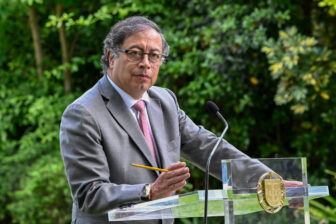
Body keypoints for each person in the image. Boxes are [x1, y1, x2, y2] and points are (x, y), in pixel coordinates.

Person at [60, 16, 272, 224]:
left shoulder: (165, 100)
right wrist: (149, 191)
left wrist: (266, 180)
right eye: (135, 53)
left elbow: (207, 148)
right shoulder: (83, 113)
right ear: (111, 57)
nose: (145, 64)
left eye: (154, 56)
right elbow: (89, 194)